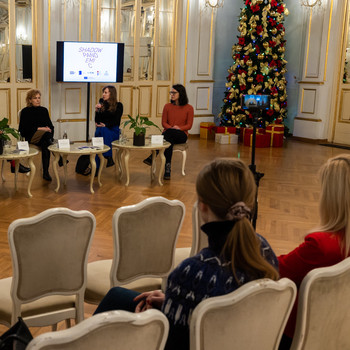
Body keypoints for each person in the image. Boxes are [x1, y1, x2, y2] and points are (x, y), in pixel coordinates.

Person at [94, 158, 279, 350]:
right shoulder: (264, 251)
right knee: (117, 296)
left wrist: (155, 316)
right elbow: (222, 307)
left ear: (203, 207)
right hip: (237, 339)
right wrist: (173, 301)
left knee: (114, 301)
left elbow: (170, 342)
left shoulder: (193, 272)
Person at [278, 154, 350, 350]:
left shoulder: (321, 245)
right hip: (336, 330)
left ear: (331, 197)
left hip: (295, 334)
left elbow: (276, 271)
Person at [143, 84, 194, 180]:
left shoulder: (189, 108)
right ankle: (167, 169)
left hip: (181, 134)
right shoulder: (167, 106)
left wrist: (178, 128)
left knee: (167, 135)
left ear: (181, 93)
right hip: (169, 134)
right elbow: (164, 123)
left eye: (174, 92)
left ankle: (153, 156)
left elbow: (189, 126)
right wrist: (171, 128)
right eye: (171, 92)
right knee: (169, 139)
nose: (172, 94)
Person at [18, 89, 54, 181]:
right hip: (31, 137)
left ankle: (46, 172)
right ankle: (56, 159)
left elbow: (51, 126)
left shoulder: (44, 110)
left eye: (39, 98)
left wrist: (49, 130)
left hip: (44, 138)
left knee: (46, 141)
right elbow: (22, 130)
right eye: (35, 98)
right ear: (30, 100)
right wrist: (40, 129)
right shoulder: (25, 111)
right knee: (47, 139)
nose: (38, 100)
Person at [94, 85, 123, 169]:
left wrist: (106, 125)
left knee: (100, 134)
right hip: (103, 130)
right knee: (100, 131)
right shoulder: (102, 105)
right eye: (103, 92)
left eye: (105, 92)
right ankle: (109, 158)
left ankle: (97, 167)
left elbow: (116, 121)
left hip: (113, 131)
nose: (103, 94)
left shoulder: (119, 105)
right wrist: (97, 110)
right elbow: (97, 121)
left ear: (111, 94)